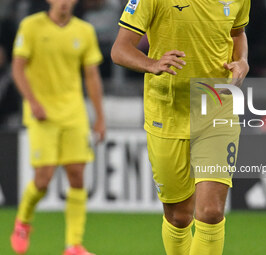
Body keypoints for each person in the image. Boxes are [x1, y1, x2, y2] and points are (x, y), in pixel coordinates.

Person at [111, 0, 250, 254]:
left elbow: (237, 33)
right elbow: (120, 49)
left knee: (210, 212)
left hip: (217, 107)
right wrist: (152, 63)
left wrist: (242, 61)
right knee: (179, 217)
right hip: (167, 112)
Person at [10, 0, 105, 254]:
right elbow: (18, 68)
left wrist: (100, 116)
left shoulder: (84, 31)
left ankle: (73, 244)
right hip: (42, 115)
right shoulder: (30, 26)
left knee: (77, 174)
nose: (63, 2)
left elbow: (92, 75)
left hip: (73, 114)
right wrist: (32, 102)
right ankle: (23, 220)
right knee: (43, 179)